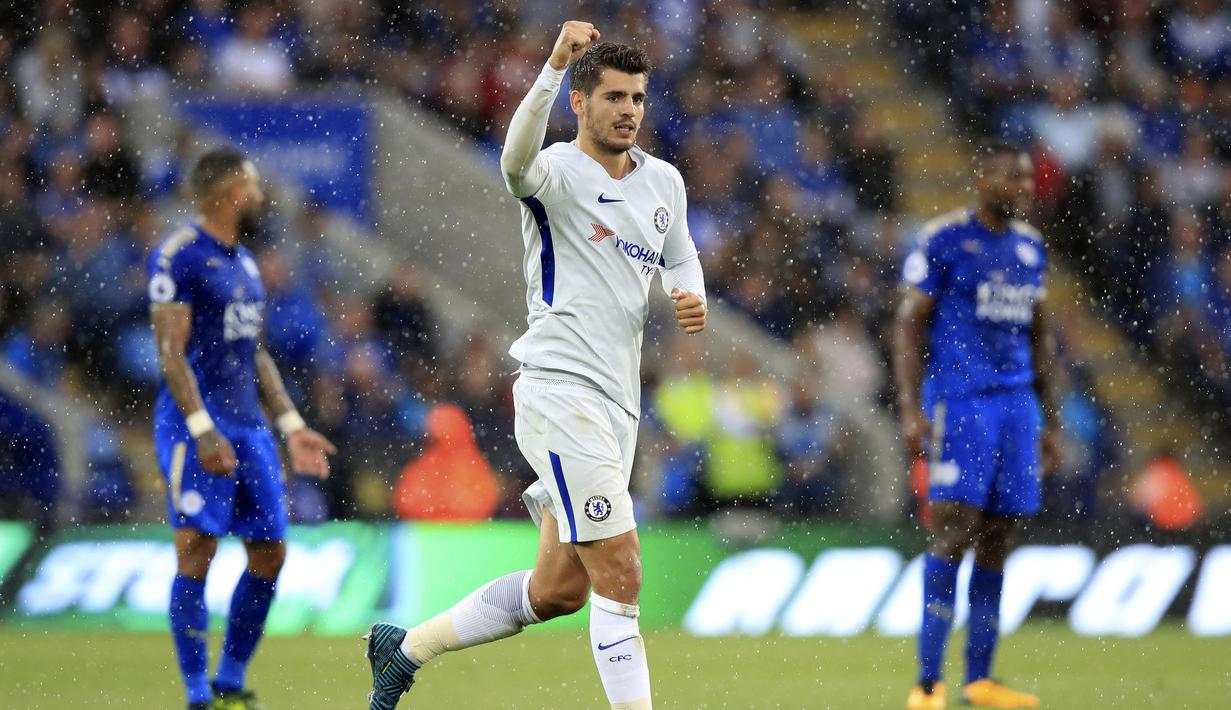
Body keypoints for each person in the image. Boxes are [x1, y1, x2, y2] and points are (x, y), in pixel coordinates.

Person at [363, 21, 707, 710]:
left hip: (617, 403)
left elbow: (679, 252)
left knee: (557, 591)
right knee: (622, 570)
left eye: (637, 97)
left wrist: (687, 288)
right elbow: (512, 161)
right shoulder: (553, 172)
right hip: (559, 390)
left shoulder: (663, 181)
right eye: (612, 96)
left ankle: (403, 650)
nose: (628, 110)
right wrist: (550, 66)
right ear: (579, 102)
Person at [149, 148, 336, 710]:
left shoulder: (247, 263)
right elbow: (170, 353)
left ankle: (230, 680)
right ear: (230, 191)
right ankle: (196, 693)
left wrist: (291, 423)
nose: (261, 196)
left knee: (271, 551)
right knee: (196, 550)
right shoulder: (179, 256)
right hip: (194, 425)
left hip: (250, 426)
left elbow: (254, 353)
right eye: (254, 185)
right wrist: (203, 428)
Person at [892, 140, 1059, 710]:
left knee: (999, 535)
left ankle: (979, 681)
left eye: (1026, 179)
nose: (1021, 188)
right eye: (1010, 178)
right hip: (960, 403)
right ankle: (927, 683)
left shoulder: (1031, 248)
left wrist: (1050, 421)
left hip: (1016, 408)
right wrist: (911, 408)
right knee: (954, 529)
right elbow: (908, 328)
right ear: (981, 177)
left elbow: (1040, 337)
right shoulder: (943, 239)